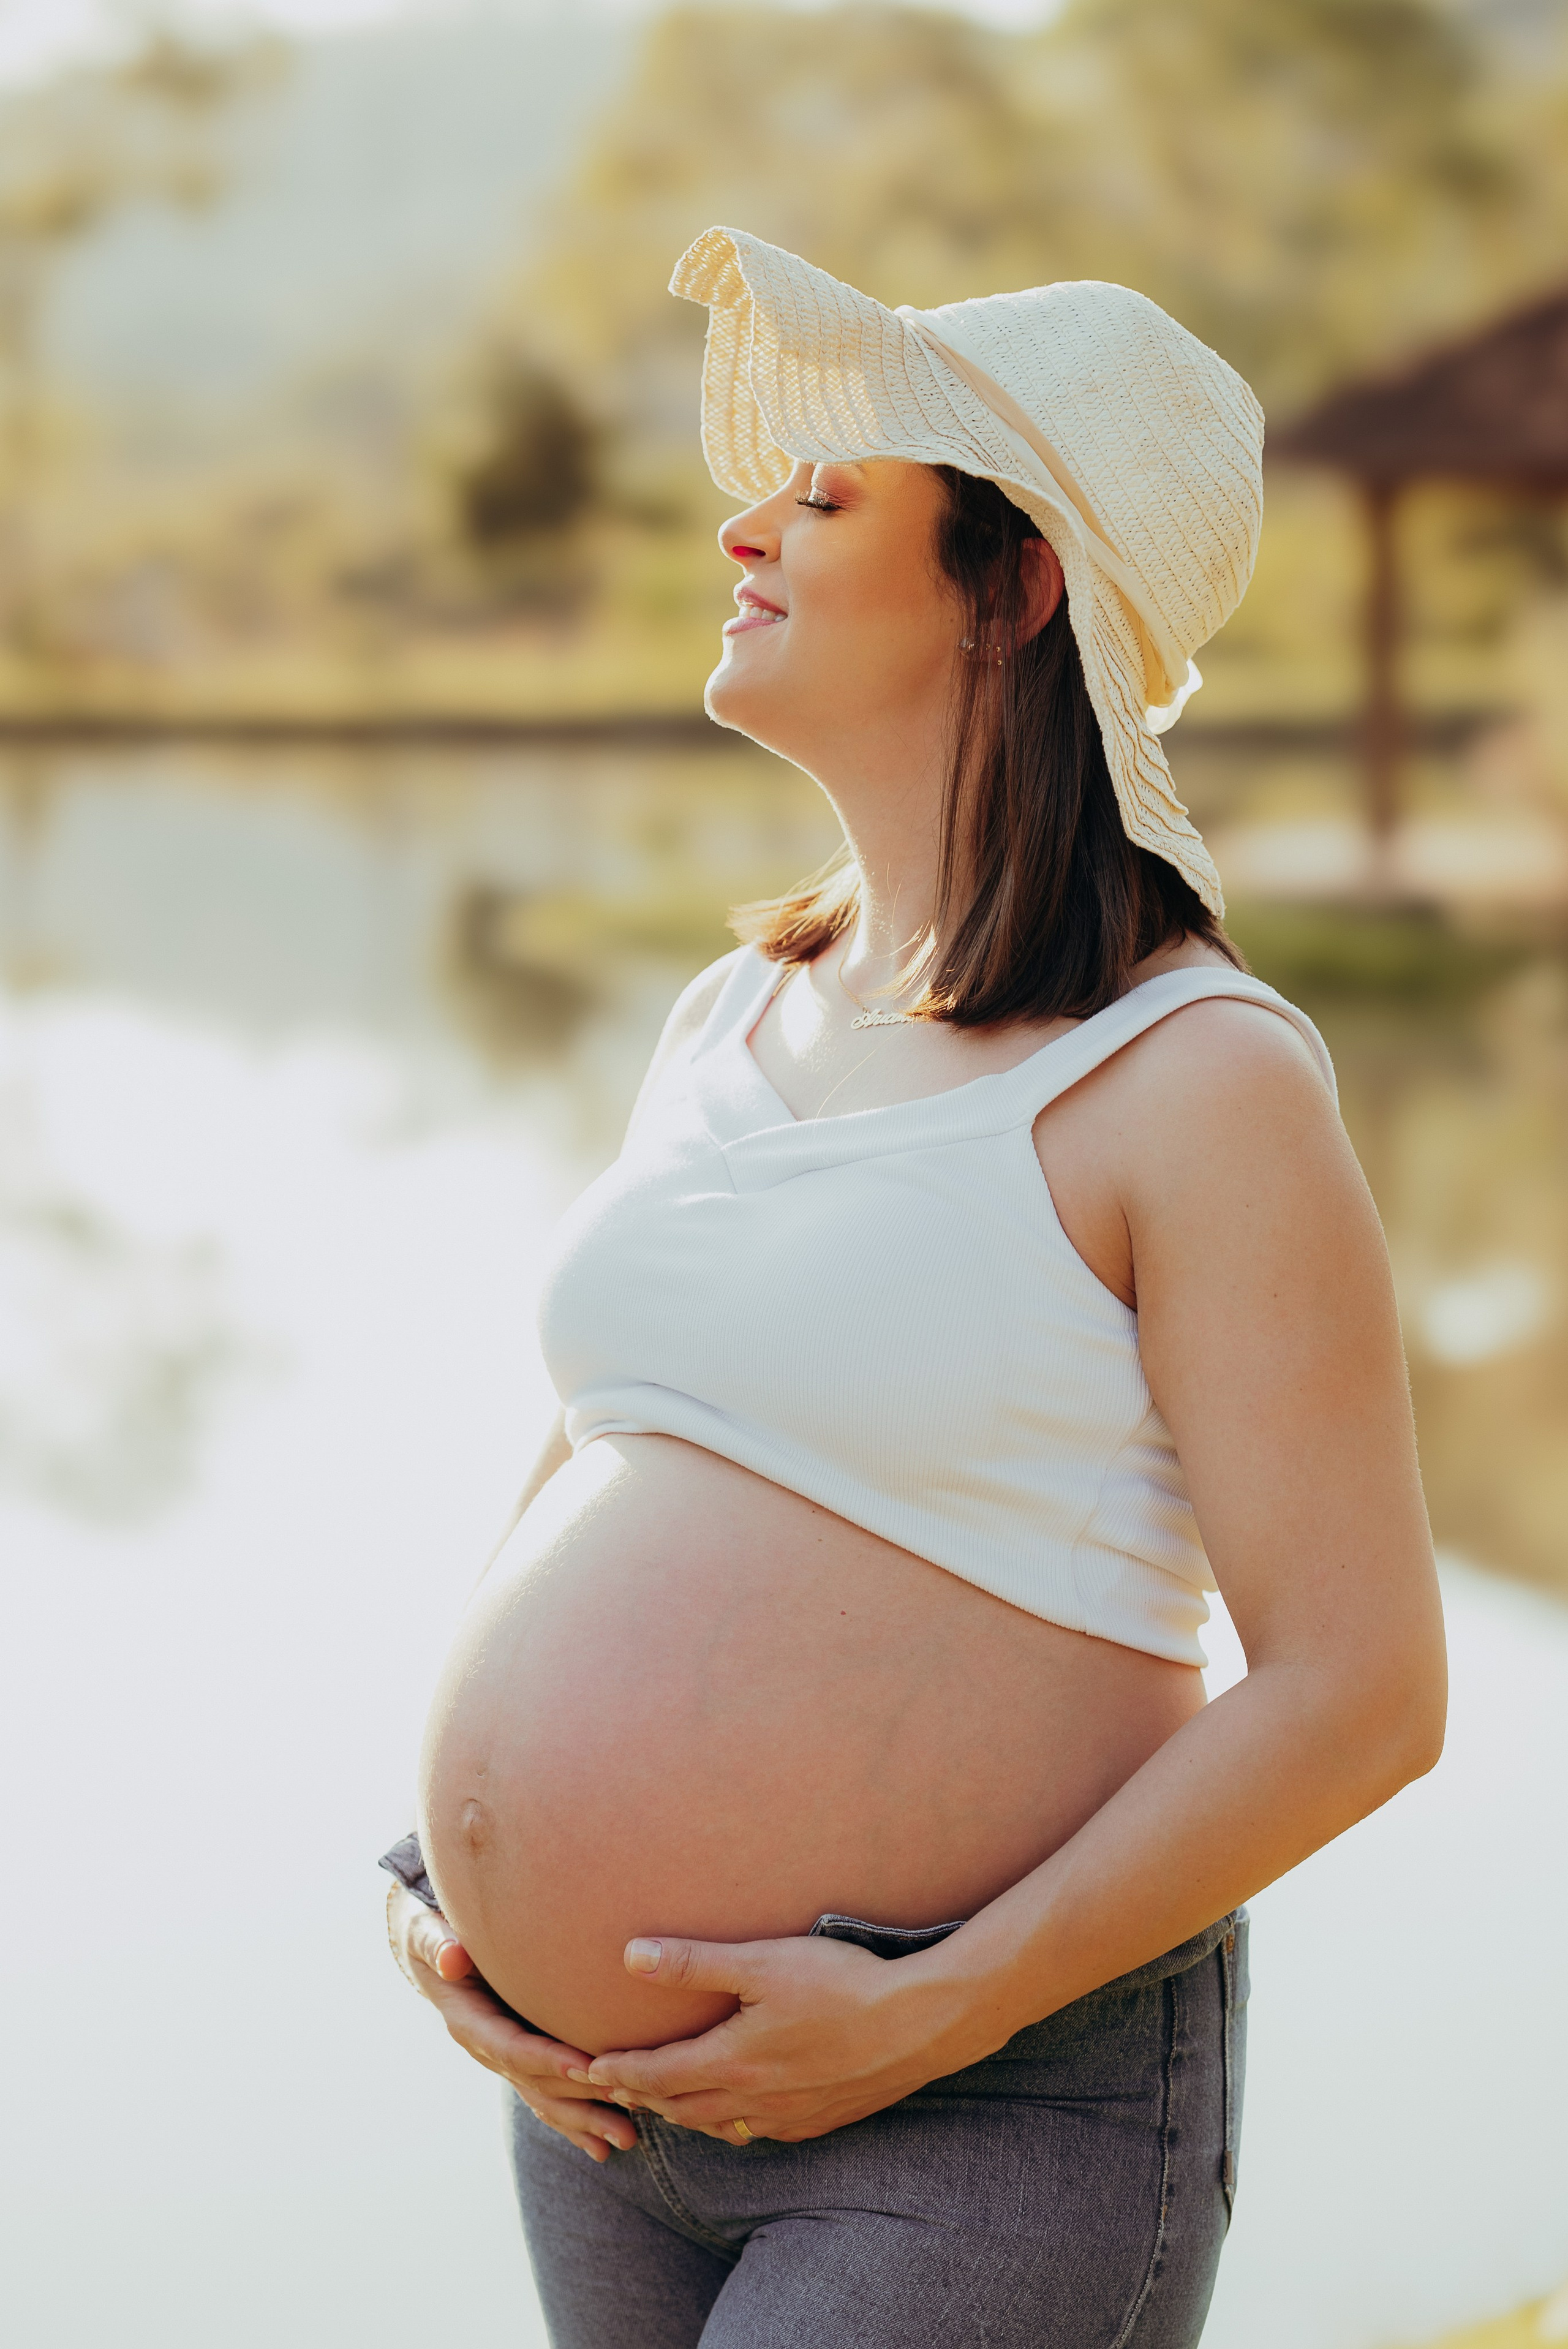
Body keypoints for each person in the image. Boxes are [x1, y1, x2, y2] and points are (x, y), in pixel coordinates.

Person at [382, 227, 1446, 2349]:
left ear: (1015, 583)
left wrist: (916, 2014)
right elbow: (613, 1442)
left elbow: (1363, 1691)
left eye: (829, 493)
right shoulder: (731, 1010)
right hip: (605, 2111)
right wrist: (450, 1872)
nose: (738, 522)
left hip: (969, 2105)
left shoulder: (1191, 1081)